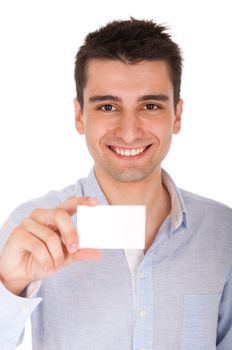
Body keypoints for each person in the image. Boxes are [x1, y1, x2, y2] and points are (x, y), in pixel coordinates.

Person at [0, 18, 231, 350]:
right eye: (108, 106)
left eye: (150, 106)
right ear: (80, 116)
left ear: (176, 116)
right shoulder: (33, 230)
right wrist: (8, 284)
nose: (129, 131)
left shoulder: (223, 232)